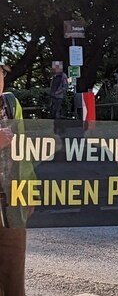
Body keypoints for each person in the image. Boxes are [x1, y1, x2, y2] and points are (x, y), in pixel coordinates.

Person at [0, 60, 35, 296]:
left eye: (0, 74)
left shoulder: (10, 102)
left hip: (11, 195)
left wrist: (30, 190)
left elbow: (24, 151)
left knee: (14, 267)